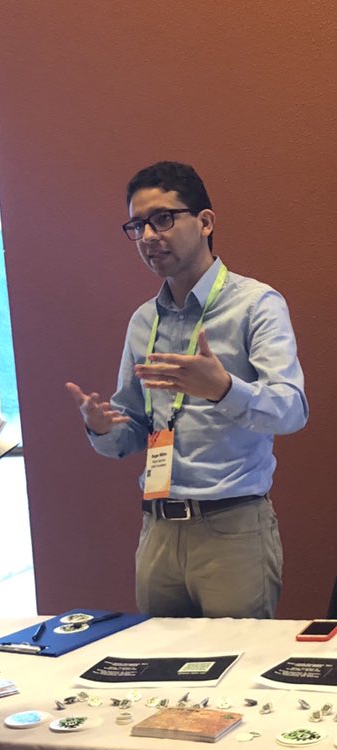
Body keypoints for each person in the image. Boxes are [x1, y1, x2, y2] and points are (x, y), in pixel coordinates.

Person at [67, 161, 307, 618]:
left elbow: (292, 409)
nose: (148, 236)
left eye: (163, 219)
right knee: (157, 660)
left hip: (232, 529)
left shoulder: (256, 304)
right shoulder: (144, 320)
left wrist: (223, 389)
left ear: (205, 222)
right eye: (137, 225)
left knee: (234, 661)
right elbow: (133, 430)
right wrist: (103, 428)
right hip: (158, 531)